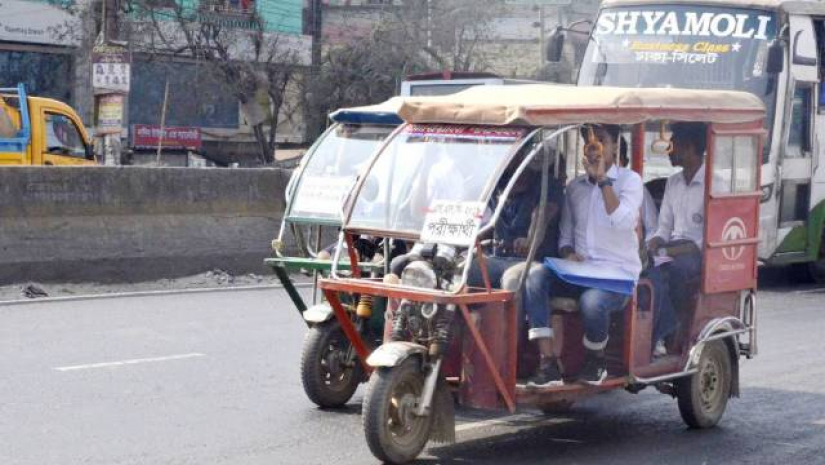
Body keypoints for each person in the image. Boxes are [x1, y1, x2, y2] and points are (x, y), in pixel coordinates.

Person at [524, 124, 644, 386]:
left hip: (617, 274)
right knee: (534, 277)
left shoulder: (630, 181)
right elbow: (566, 236)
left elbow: (623, 221)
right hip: (580, 271)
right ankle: (548, 363)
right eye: (590, 143)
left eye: (601, 141)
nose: (595, 149)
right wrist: (568, 253)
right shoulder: (575, 187)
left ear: (614, 146)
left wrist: (602, 181)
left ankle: (596, 358)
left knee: (592, 303)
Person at [646, 122, 707, 352]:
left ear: (689, 148)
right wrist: (651, 245)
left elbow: (703, 242)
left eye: (673, 146)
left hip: (695, 255)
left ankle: (667, 332)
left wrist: (668, 251)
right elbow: (663, 228)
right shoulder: (673, 182)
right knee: (644, 270)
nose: (669, 151)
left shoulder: (714, 184)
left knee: (673, 271)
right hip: (671, 250)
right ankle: (664, 327)